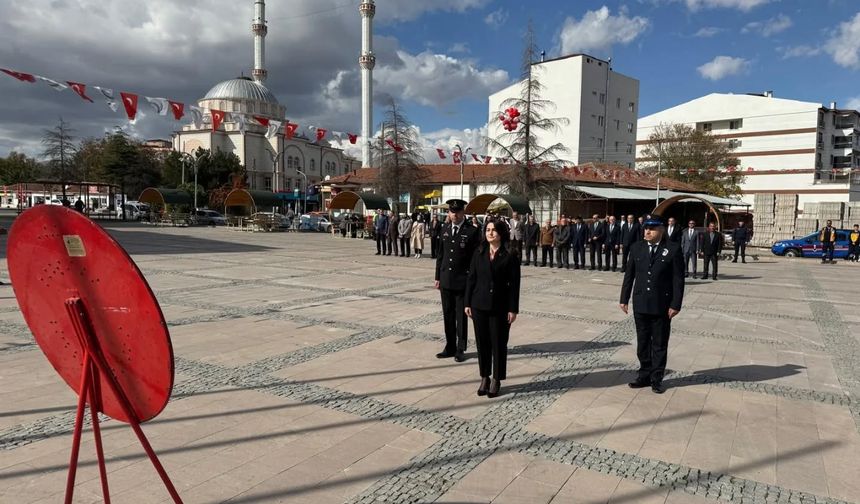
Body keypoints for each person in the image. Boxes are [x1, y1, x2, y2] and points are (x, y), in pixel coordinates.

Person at [619, 214, 685, 394]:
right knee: (642, 343)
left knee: (659, 343)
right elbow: (629, 275)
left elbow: (678, 280)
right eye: (646, 228)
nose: (647, 231)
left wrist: (675, 304)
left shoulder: (672, 249)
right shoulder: (637, 247)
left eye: (652, 228)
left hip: (661, 305)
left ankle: (656, 378)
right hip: (640, 303)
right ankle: (644, 375)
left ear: (661, 229)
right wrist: (624, 299)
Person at [465, 219, 520, 398]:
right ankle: (484, 377)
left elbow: (514, 285)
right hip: (478, 304)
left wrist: (513, 309)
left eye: (494, 230)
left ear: (501, 233)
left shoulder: (510, 254)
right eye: (488, 230)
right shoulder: (478, 252)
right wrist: (467, 303)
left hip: (500, 306)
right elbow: (471, 279)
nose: (490, 233)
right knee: (482, 344)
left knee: (498, 344)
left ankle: (497, 378)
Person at [435, 199, 480, 362]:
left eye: (457, 212)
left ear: (463, 213)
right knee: (447, 314)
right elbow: (441, 255)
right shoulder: (444, 228)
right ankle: (450, 346)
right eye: (452, 212)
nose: (454, 214)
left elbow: (476, 259)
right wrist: (437, 277)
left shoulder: (472, 231)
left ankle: (461, 348)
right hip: (446, 279)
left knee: (461, 316)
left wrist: (473, 281)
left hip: (463, 281)